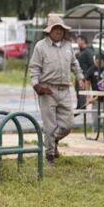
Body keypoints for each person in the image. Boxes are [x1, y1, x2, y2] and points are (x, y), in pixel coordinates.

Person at [29, 14, 83, 163]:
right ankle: (50, 155)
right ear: (49, 31)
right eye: (56, 29)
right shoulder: (41, 46)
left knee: (68, 124)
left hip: (65, 89)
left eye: (61, 29)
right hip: (47, 89)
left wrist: (80, 76)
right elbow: (34, 68)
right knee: (49, 125)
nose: (59, 32)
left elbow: (74, 64)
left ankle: (53, 141)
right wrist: (36, 85)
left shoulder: (68, 46)